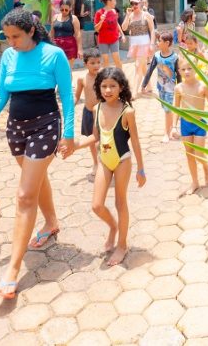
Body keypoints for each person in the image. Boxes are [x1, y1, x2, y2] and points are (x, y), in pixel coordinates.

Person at [0, 9, 75, 299]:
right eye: (7, 37)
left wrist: (69, 134)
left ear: (31, 31)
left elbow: (67, 96)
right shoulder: (9, 57)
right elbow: (0, 94)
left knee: (25, 195)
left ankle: (13, 269)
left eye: (15, 36)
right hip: (16, 128)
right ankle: (51, 223)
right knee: (35, 180)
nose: (10, 42)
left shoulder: (53, 55)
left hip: (46, 126)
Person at [74, 67, 145, 266]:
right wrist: (75, 146)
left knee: (120, 203)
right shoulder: (97, 109)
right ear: (98, 87)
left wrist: (141, 169)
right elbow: (95, 137)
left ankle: (122, 245)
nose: (107, 90)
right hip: (104, 161)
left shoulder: (127, 111)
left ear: (121, 87)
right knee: (96, 205)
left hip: (122, 160)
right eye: (104, 86)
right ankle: (113, 227)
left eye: (112, 86)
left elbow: (135, 141)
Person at [175, 64, 208, 194]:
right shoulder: (178, 88)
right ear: (179, 71)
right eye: (183, 69)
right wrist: (173, 127)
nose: (186, 71)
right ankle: (195, 182)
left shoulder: (203, 86)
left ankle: (206, 167)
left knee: (198, 153)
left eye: (189, 68)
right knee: (189, 154)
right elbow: (176, 108)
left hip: (200, 124)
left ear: (195, 69)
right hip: (185, 124)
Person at [143, 32, 182, 142]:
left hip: (171, 88)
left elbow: (178, 74)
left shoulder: (174, 57)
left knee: (167, 110)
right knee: (166, 109)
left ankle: (167, 133)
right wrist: (144, 84)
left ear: (167, 43)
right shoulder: (156, 56)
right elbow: (150, 70)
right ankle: (173, 129)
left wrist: (180, 87)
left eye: (159, 41)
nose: (157, 42)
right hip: (160, 87)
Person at [73, 48, 102, 174]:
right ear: (85, 64)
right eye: (92, 63)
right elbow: (77, 96)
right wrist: (70, 107)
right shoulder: (81, 78)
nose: (96, 65)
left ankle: (106, 163)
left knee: (101, 141)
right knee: (91, 140)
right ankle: (96, 163)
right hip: (89, 113)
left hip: (102, 114)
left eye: (98, 62)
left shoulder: (104, 77)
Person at [122, 0, 156, 95]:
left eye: (136, 3)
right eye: (132, 3)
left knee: (137, 66)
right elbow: (124, 28)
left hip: (144, 44)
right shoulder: (130, 15)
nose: (134, 5)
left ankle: (134, 92)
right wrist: (127, 15)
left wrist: (152, 44)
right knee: (143, 66)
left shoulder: (146, 15)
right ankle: (149, 86)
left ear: (140, 4)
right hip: (134, 45)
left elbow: (152, 30)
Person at [93, 0, 123, 70]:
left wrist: (122, 34)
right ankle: (106, 76)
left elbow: (116, 23)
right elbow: (96, 29)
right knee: (105, 61)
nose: (116, 3)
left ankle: (121, 75)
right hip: (103, 40)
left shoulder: (114, 11)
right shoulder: (99, 13)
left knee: (117, 60)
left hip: (114, 39)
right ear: (109, 1)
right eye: (114, 0)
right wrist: (101, 21)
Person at [51, 1, 83, 66]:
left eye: (66, 10)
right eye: (62, 10)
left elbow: (78, 34)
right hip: (57, 45)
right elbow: (51, 32)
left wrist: (80, 49)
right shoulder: (55, 17)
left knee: (68, 68)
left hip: (70, 46)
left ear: (70, 8)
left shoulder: (74, 18)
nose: (64, 11)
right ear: (59, 8)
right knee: (58, 67)